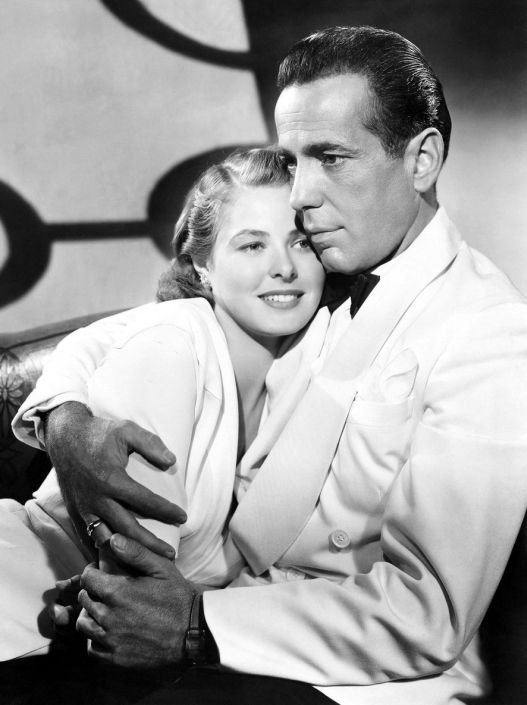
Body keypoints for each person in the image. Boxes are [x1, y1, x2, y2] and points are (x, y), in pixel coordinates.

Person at [12, 25, 527, 705]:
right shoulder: (315, 273)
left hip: (345, 673)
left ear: (422, 159)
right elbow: (131, 332)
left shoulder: (487, 333)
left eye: (331, 158)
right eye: (293, 160)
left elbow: (424, 613)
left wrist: (194, 625)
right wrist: (65, 419)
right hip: (216, 609)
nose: (302, 195)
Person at [2, 147, 327, 661]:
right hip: (20, 597)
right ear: (202, 265)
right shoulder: (171, 346)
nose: (284, 267)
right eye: (251, 245)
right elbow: (137, 588)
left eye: (301, 242)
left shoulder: (309, 372)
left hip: (99, 637)